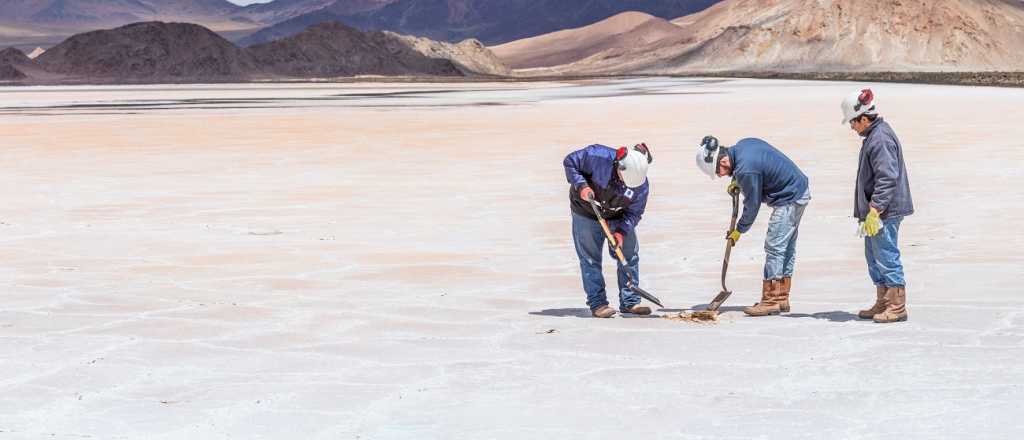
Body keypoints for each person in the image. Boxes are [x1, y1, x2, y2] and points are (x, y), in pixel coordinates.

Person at [695, 136, 810, 317]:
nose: (720, 175)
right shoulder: (742, 146)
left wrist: (739, 230)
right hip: (799, 190)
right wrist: (737, 182)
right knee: (785, 247)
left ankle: (771, 300)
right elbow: (757, 168)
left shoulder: (745, 171)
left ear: (723, 160)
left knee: (775, 247)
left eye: (719, 172)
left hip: (789, 198)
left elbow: (752, 204)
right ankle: (781, 297)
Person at [841, 89, 914, 323]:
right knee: (874, 255)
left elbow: (887, 177)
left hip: (885, 211)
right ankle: (883, 301)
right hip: (876, 210)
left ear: (863, 118)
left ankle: (896, 305)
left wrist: (875, 209)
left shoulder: (880, 138)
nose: (852, 127)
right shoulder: (873, 136)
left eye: (852, 122)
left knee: (886, 254)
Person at [563, 143, 653, 318]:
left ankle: (630, 302)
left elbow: (635, 212)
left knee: (629, 255)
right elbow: (570, 162)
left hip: (618, 215)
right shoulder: (597, 156)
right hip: (586, 210)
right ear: (619, 166)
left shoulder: (641, 185)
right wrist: (582, 186)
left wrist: (621, 232)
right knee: (589, 258)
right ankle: (598, 304)